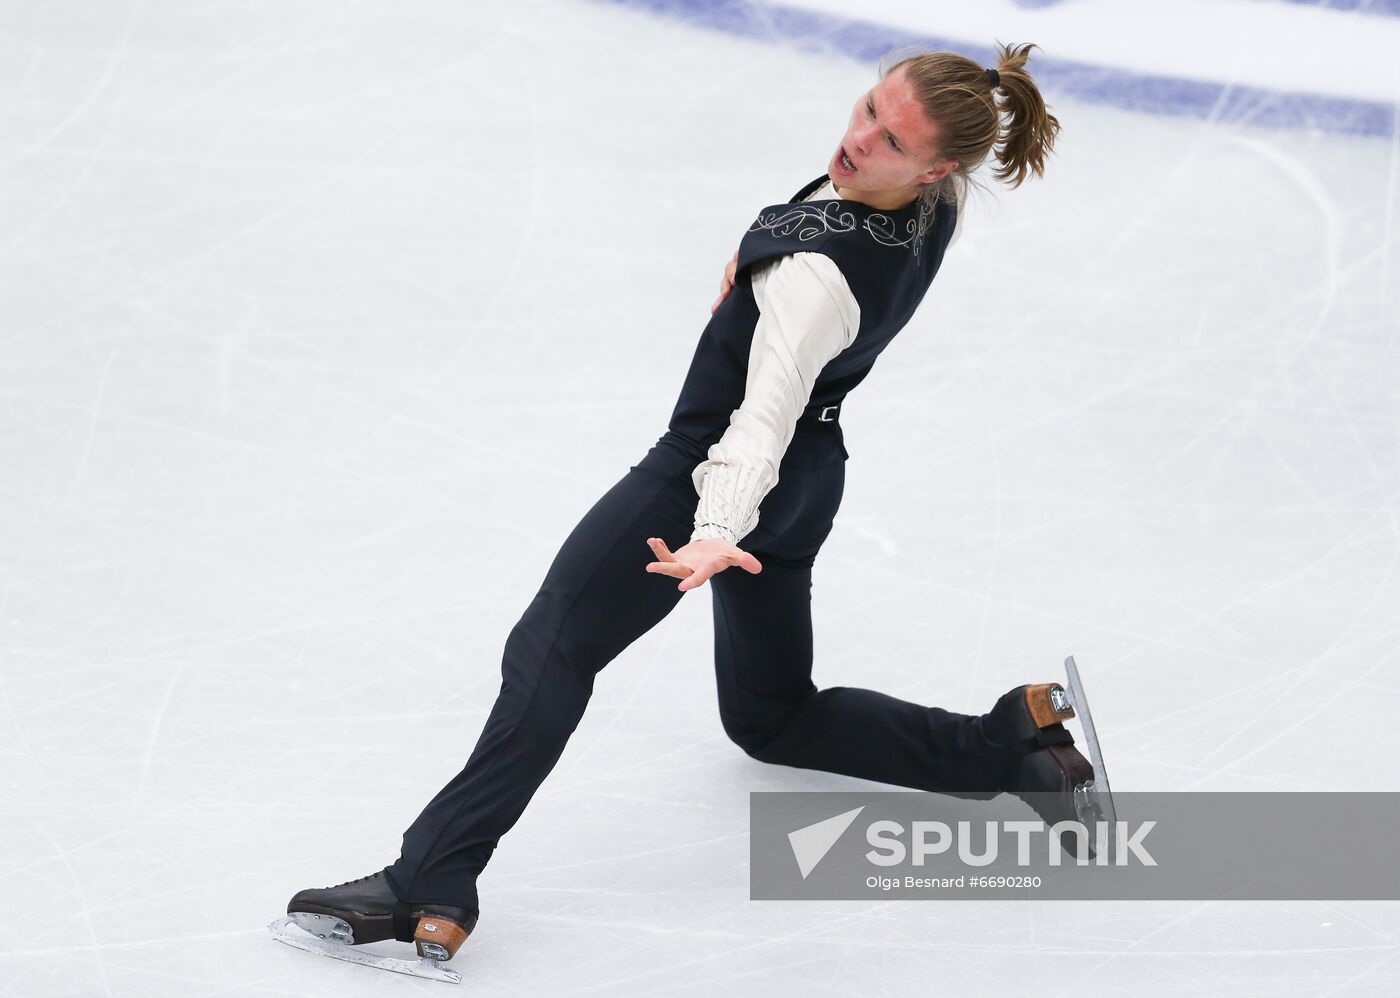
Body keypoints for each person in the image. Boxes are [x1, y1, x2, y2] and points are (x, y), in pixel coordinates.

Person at [279, 41, 1086, 973]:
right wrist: (754, 262)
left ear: (935, 164)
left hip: (711, 478)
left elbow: (762, 414)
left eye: (888, 135)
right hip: (811, 485)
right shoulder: (929, 206)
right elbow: (827, 237)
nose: (857, 139)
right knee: (771, 718)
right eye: (867, 108)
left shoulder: (816, 279)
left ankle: (428, 881)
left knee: (552, 648)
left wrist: (712, 531)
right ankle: (1006, 749)